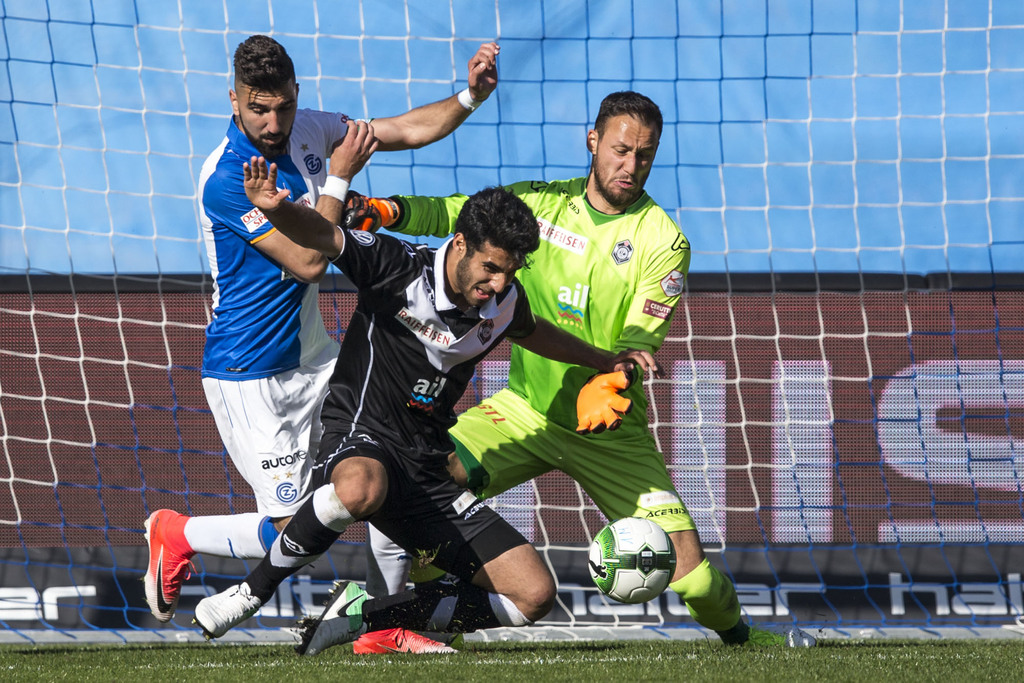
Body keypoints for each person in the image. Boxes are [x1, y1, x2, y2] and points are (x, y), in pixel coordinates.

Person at [357, 91, 818, 648]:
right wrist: (387, 211)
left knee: (693, 580)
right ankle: (430, 623)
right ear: (593, 141)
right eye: (621, 150)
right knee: (425, 483)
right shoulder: (541, 206)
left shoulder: (662, 240)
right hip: (521, 411)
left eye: (644, 156)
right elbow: (455, 212)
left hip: (609, 432)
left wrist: (615, 378)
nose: (631, 166)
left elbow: (639, 338)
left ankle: (744, 637)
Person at [190, 157, 658, 656]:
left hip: (425, 467)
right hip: (359, 433)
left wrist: (603, 359)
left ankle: (365, 616)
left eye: (511, 271)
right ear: (459, 245)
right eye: (491, 268)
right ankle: (249, 592)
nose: (499, 284)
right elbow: (324, 236)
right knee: (359, 487)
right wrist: (277, 209)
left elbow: (533, 331)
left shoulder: (504, 301)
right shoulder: (396, 267)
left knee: (534, 595)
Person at [143, 33, 500, 646]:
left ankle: (387, 623)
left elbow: (403, 130)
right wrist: (337, 182)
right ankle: (176, 534)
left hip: (316, 355)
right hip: (251, 373)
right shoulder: (227, 178)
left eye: (282, 106)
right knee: (296, 526)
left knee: (388, 468)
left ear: (296, 95)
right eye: (259, 109)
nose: (274, 122)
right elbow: (309, 263)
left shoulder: (309, 128)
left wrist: (469, 96)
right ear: (234, 100)